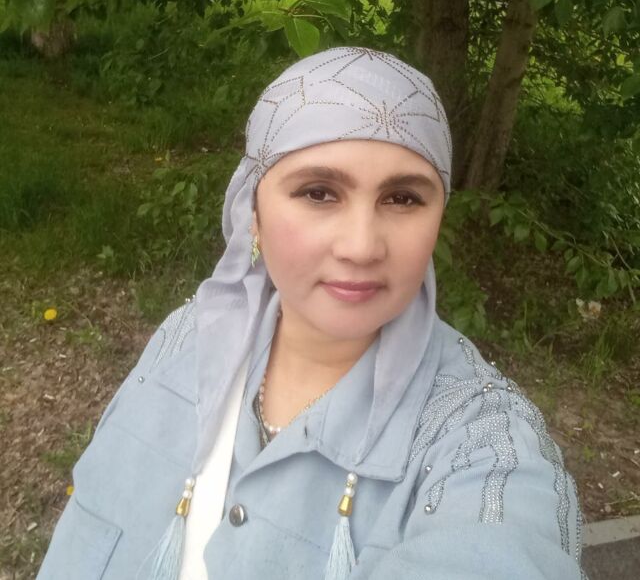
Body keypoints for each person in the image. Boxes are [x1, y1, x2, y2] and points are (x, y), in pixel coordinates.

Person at [37, 47, 585, 580]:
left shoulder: (483, 446)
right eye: (319, 193)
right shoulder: (187, 336)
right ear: (252, 210)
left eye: (402, 198)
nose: (361, 247)